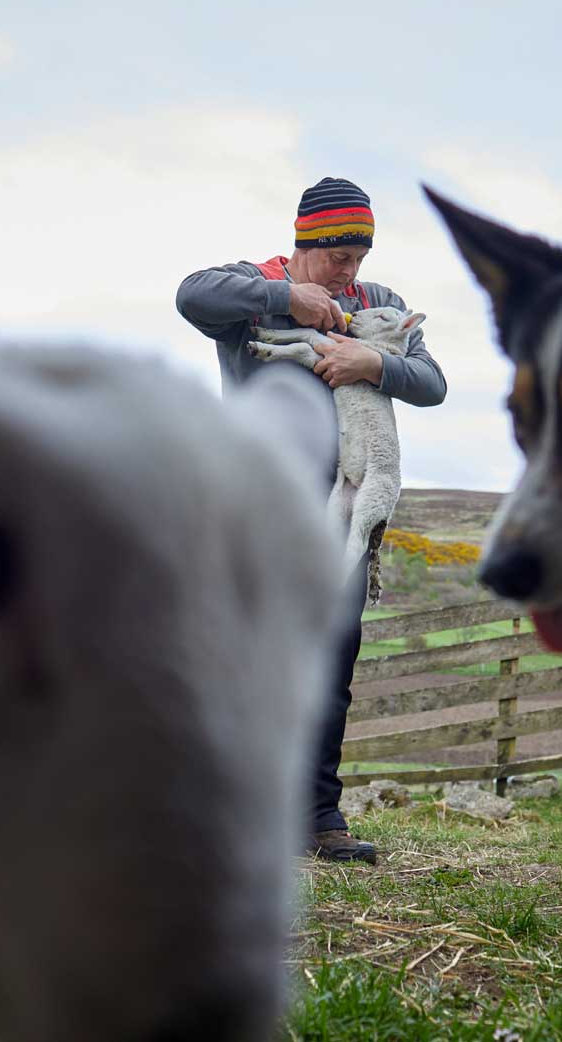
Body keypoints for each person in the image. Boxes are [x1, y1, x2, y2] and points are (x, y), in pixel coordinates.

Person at [175, 177, 447, 864]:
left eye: (360, 256)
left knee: (331, 660)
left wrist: (372, 361)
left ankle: (318, 817)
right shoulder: (252, 287)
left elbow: (432, 382)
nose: (351, 271)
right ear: (306, 244)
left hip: (346, 518)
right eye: (338, 257)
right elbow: (189, 294)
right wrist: (285, 298)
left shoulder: (377, 305)